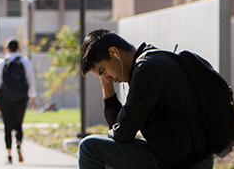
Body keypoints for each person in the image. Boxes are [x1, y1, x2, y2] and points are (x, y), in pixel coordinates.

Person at [76, 29, 214, 169]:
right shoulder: (147, 63)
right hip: (176, 158)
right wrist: (107, 88)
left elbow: (123, 133)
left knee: (89, 148)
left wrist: (118, 132)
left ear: (114, 53)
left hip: (187, 163)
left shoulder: (147, 69)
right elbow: (119, 134)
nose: (106, 78)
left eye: (102, 70)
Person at [0, 39, 37, 164]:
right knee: (19, 124)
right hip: (21, 97)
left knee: (7, 126)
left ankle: (9, 155)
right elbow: (31, 80)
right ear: (18, 48)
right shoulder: (25, 61)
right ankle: (19, 145)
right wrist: (33, 97)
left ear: (6, 48)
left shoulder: (1, 63)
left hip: (5, 98)